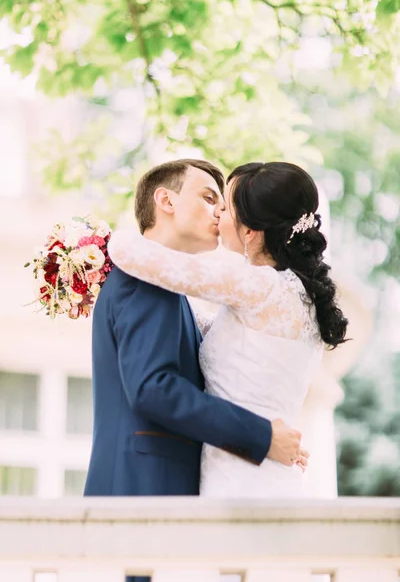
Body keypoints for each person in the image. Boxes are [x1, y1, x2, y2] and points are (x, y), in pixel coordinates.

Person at [84, 159, 307, 582]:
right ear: (165, 200)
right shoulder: (144, 277)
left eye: (224, 204)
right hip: (141, 494)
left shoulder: (174, 289)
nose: (220, 212)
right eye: (208, 198)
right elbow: (154, 389)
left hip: (169, 499)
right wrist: (262, 435)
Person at [108, 160, 348, 500]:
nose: (218, 213)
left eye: (226, 206)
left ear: (250, 232)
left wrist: (91, 246)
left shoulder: (258, 285)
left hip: (241, 476)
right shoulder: (294, 294)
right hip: (265, 465)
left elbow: (132, 253)